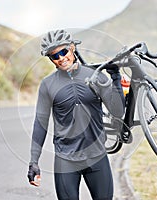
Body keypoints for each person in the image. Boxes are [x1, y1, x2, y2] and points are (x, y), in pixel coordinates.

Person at [27, 29, 125, 200]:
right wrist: (34, 161)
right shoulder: (48, 84)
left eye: (64, 51)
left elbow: (117, 111)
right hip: (66, 160)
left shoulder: (95, 76)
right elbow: (40, 123)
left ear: (72, 48)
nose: (61, 58)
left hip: (96, 156)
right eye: (54, 56)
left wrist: (115, 77)